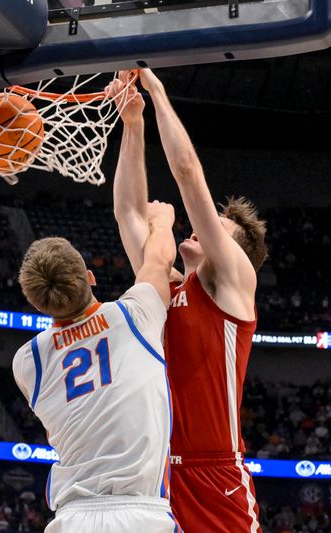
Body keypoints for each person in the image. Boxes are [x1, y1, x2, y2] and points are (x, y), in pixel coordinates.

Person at [108, 69, 267, 532]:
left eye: (221, 228)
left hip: (214, 471)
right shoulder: (165, 285)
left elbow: (187, 174)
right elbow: (130, 213)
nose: (205, 226)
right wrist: (133, 124)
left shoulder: (234, 285)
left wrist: (157, 92)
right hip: (156, 473)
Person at [12, 201, 181, 532]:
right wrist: (162, 220)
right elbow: (160, 261)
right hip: (141, 515)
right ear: (90, 277)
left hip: (72, 518)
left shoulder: (27, 362)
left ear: (37, 305)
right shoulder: (134, 314)